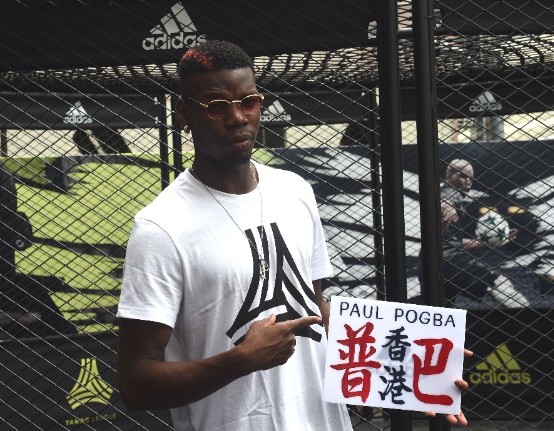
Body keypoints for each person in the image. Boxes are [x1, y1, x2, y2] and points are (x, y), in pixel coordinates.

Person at [116, 40, 470, 431]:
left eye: (248, 101)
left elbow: (314, 310)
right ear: (184, 112)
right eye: (216, 106)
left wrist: (420, 362)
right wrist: (241, 360)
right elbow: (136, 385)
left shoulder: (293, 189)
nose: (237, 118)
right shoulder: (161, 227)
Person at [438, 159, 528, 307]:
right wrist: (445, 205)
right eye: (463, 176)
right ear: (449, 176)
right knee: (499, 283)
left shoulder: (455, 200)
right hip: (450, 262)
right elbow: (444, 199)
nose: (468, 182)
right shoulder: (449, 194)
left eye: (471, 178)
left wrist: (491, 241)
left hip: (435, 264)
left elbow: (452, 243)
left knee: (441, 312)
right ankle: (528, 320)